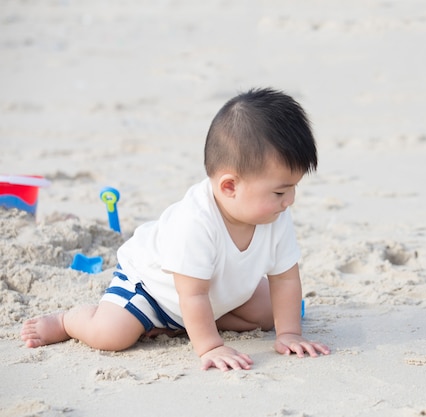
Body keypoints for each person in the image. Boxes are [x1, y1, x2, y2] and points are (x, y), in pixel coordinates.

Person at [21, 88, 330, 371]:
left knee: (270, 313)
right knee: (111, 334)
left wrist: (288, 333)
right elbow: (192, 294)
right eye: (280, 192)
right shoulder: (194, 222)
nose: (290, 200)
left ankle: (193, 324)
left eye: (293, 188)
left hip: (214, 293)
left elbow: (286, 278)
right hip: (154, 291)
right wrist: (210, 346)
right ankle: (67, 321)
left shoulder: (273, 214)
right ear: (229, 186)